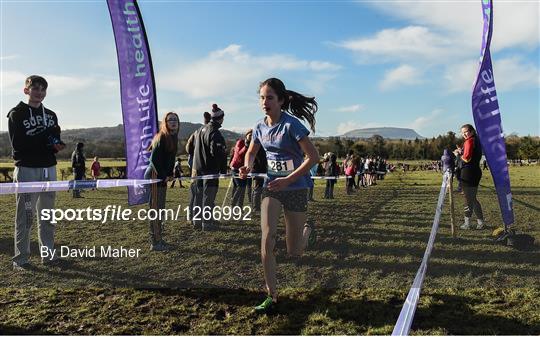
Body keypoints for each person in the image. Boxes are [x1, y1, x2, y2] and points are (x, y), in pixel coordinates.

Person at [239, 78, 319, 313]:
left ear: (281, 101)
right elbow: (251, 152)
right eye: (262, 98)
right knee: (267, 238)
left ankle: (307, 232)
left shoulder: (291, 125)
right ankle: (271, 295)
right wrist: (247, 165)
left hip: (295, 188)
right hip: (272, 187)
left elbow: (313, 158)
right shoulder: (259, 127)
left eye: (270, 98)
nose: (265, 102)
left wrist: (289, 179)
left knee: (294, 251)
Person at [7, 75, 66, 270]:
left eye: (43, 89)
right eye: (35, 88)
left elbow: (52, 140)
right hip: (27, 169)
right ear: (26, 90)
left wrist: (56, 144)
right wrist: (45, 137)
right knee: (26, 216)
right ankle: (21, 258)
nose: (39, 92)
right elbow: (19, 146)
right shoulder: (17, 113)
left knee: (47, 215)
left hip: (49, 168)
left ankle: (48, 255)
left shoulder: (51, 115)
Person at [145, 111, 179, 251]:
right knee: (155, 209)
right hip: (154, 175)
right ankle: (155, 242)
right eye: (170, 119)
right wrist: (164, 174)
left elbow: (169, 160)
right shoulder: (162, 137)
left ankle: (159, 239)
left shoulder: (173, 138)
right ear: (165, 122)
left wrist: (170, 174)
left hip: (162, 176)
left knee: (160, 209)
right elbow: (153, 160)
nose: (173, 121)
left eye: (175, 119)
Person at [192, 104, 227, 231]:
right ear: (221, 118)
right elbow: (217, 153)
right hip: (209, 169)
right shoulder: (215, 132)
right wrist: (222, 169)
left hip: (198, 167)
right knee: (209, 196)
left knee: (199, 195)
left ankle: (197, 220)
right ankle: (207, 223)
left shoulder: (201, 129)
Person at [454, 124, 486, 230]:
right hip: (474, 171)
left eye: (466, 131)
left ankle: (467, 223)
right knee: (472, 199)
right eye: (462, 132)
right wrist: (461, 151)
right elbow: (469, 154)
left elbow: (467, 158)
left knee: (468, 199)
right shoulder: (475, 140)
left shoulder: (469, 141)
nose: (464, 134)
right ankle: (481, 222)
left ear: (472, 131)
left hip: (469, 173)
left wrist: (458, 155)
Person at [186, 112, 211, 228]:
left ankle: (196, 217)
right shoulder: (207, 132)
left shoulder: (197, 132)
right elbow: (188, 148)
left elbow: (188, 147)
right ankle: (193, 217)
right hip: (202, 167)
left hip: (196, 166)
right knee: (199, 193)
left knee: (197, 192)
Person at [229, 130, 251, 207]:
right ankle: (233, 204)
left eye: (252, 136)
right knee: (239, 187)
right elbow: (239, 153)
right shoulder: (240, 142)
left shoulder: (252, 144)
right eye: (250, 135)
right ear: (246, 135)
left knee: (242, 188)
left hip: (244, 169)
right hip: (235, 167)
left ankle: (239, 207)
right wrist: (246, 146)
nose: (251, 137)